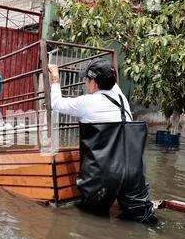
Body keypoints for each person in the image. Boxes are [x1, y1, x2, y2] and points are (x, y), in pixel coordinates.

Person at [49, 59, 157, 223]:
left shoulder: (86, 102)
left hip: (103, 175)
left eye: (87, 80)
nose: (85, 83)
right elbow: (110, 82)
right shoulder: (122, 99)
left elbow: (56, 103)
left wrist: (55, 79)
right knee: (142, 219)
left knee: (91, 221)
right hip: (134, 173)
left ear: (94, 82)